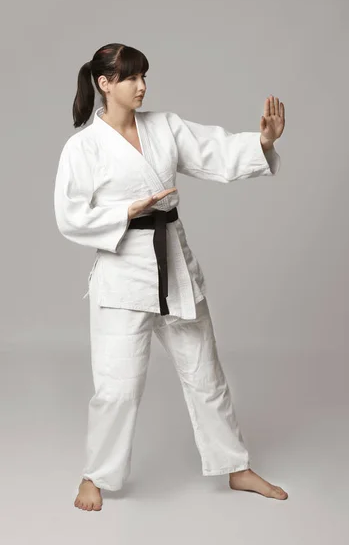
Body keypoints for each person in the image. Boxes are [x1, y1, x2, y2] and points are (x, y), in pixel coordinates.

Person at [53, 42, 288, 512]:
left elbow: (213, 153)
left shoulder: (164, 127)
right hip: (123, 272)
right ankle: (95, 475)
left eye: (145, 77)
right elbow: (69, 215)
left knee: (206, 374)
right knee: (116, 387)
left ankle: (235, 467)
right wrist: (126, 210)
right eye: (131, 78)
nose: (142, 86)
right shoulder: (84, 147)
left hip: (174, 265)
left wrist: (263, 142)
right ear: (104, 84)